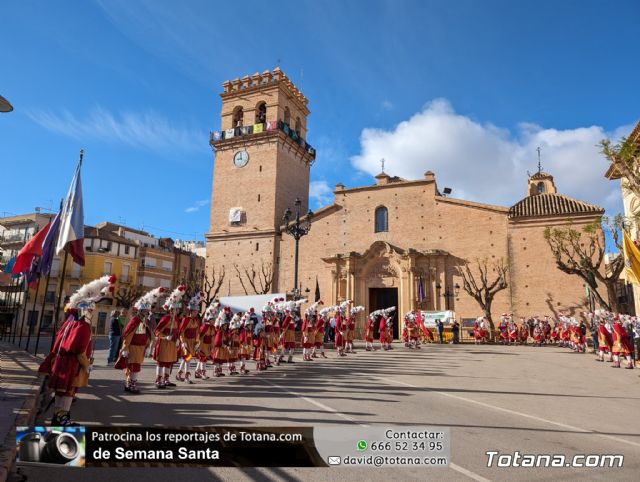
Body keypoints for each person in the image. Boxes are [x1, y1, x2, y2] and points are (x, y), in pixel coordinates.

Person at [39, 275, 117, 425]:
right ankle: (62, 419)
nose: (91, 313)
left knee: (62, 391)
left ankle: (58, 417)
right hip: (72, 363)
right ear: (86, 311)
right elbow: (80, 352)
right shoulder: (83, 327)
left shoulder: (70, 322)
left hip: (62, 360)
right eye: (91, 310)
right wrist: (87, 365)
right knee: (69, 391)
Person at [116, 288, 164, 393]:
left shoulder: (144, 321)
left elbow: (147, 334)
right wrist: (125, 348)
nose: (147, 312)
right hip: (133, 347)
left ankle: (128, 383)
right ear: (141, 311)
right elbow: (128, 335)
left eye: (148, 311)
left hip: (141, 348)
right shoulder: (135, 320)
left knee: (134, 366)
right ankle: (132, 384)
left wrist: (148, 346)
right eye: (145, 311)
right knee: (134, 367)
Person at [153, 285, 186, 388]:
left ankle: (166, 379)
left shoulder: (176, 320)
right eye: (175, 310)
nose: (177, 311)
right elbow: (157, 331)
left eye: (177, 310)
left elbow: (177, 331)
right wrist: (164, 337)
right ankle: (158, 380)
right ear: (171, 310)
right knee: (161, 362)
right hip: (164, 343)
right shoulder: (166, 318)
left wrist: (177, 340)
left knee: (168, 363)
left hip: (172, 344)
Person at [176, 292, 203, 383]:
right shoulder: (186, 320)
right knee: (188, 357)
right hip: (186, 341)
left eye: (197, 311)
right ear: (191, 312)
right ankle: (186, 377)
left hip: (192, 342)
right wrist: (183, 342)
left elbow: (197, 333)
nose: (196, 313)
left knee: (187, 358)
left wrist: (197, 343)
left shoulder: (196, 321)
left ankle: (179, 373)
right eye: (195, 311)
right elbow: (181, 331)